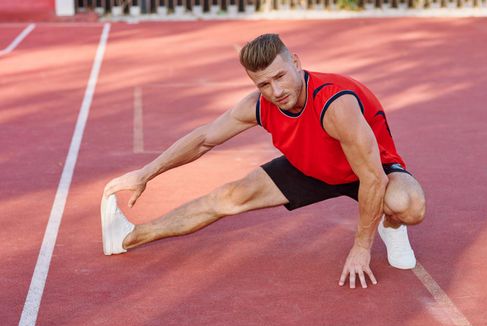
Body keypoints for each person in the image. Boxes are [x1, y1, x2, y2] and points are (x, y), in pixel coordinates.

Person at [102, 33, 426, 289]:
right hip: (310, 167)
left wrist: (361, 247)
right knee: (226, 198)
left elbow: (372, 178)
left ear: (296, 62)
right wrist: (147, 173)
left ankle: (390, 225)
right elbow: (204, 138)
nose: (276, 90)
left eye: (280, 76)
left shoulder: (335, 104)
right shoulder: (259, 104)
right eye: (264, 84)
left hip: (368, 170)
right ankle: (127, 236)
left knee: (407, 205)